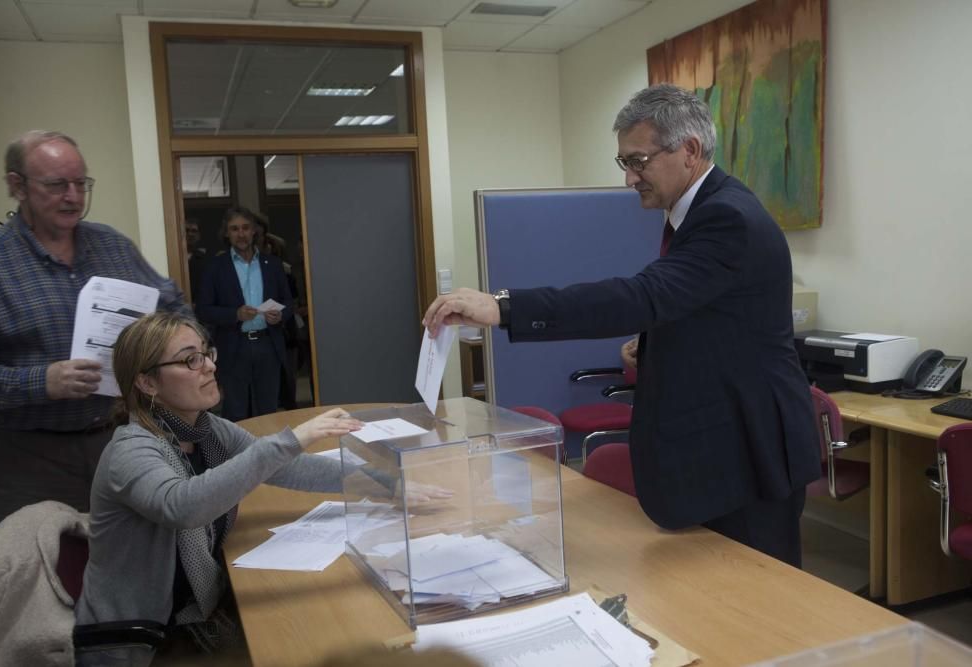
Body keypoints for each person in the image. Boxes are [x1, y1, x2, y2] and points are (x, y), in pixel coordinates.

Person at [423, 84, 821, 567]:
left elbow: (643, 296)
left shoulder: (726, 217)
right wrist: (653, 344)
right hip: (721, 444)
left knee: (755, 597)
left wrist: (503, 306)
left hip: (746, 451)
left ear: (689, 151)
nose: (631, 179)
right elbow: (694, 308)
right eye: (624, 164)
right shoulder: (695, 212)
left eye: (639, 161)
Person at [74, 312, 364, 663]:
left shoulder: (205, 429)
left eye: (206, 353)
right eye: (189, 360)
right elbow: (184, 506)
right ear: (148, 383)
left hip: (196, 620)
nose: (209, 366)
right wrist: (293, 438)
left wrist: (384, 481)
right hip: (147, 642)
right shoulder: (131, 449)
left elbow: (290, 468)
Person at [0, 130, 189, 554]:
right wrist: (41, 382)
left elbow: (173, 307)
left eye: (81, 184)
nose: (73, 196)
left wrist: (184, 351)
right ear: (17, 186)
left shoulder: (113, 247)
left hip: (120, 441)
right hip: (27, 458)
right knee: (23, 580)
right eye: (57, 185)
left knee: (136, 563)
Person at [196, 206, 293, 421]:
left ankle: (268, 454)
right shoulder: (215, 267)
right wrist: (235, 315)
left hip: (268, 345)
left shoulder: (273, 265)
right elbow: (203, 310)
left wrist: (280, 316)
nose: (241, 234)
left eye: (245, 228)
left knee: (268, 410)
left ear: (254, 231)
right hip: (234, 346)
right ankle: (240, 455)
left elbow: (288, 303)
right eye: (234, 229)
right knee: (236, 412)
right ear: (226, 233)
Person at [185, 217, 207, 306]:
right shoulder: (174, 256)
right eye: (187, 230)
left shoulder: (205, 259)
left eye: (194, 231)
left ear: (199, 235)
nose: (190, 234)